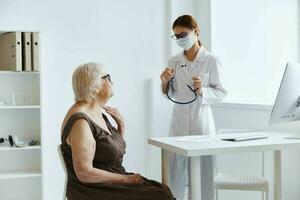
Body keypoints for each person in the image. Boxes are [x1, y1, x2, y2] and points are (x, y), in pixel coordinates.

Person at [61, 62, 174, 200]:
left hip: (108, 182)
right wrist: (127, 180)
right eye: (107, 77)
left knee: (160, 190)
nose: (111, 82)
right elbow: (84, 173)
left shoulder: (96, 112)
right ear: (94, 85)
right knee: (161, 195)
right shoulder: (80, 122)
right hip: (93, 190)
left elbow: (112, 154)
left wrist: (121, 125)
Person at [160, 15, 227, 200]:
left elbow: (221, 93)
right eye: (176, 36)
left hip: (202, 124)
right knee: (174, 177)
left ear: (196, 32)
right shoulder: (173, 61)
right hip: (178, 124)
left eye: (183, 34)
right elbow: (170, 94)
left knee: (204, 177)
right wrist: (165, 82)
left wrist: (202, 91)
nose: (180, 38)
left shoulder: (212, 60)